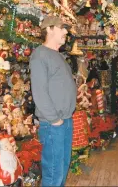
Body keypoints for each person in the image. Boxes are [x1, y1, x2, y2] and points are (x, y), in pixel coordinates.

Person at [29, 16, 77, 186]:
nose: (66, 31)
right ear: (49, 29)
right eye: (62, 28)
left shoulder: (58, 56)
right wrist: (54, 119)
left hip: (64, 121)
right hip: (53, 123)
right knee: (53, 174)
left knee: (62, 169)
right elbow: (39, 92)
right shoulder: (40, 55)